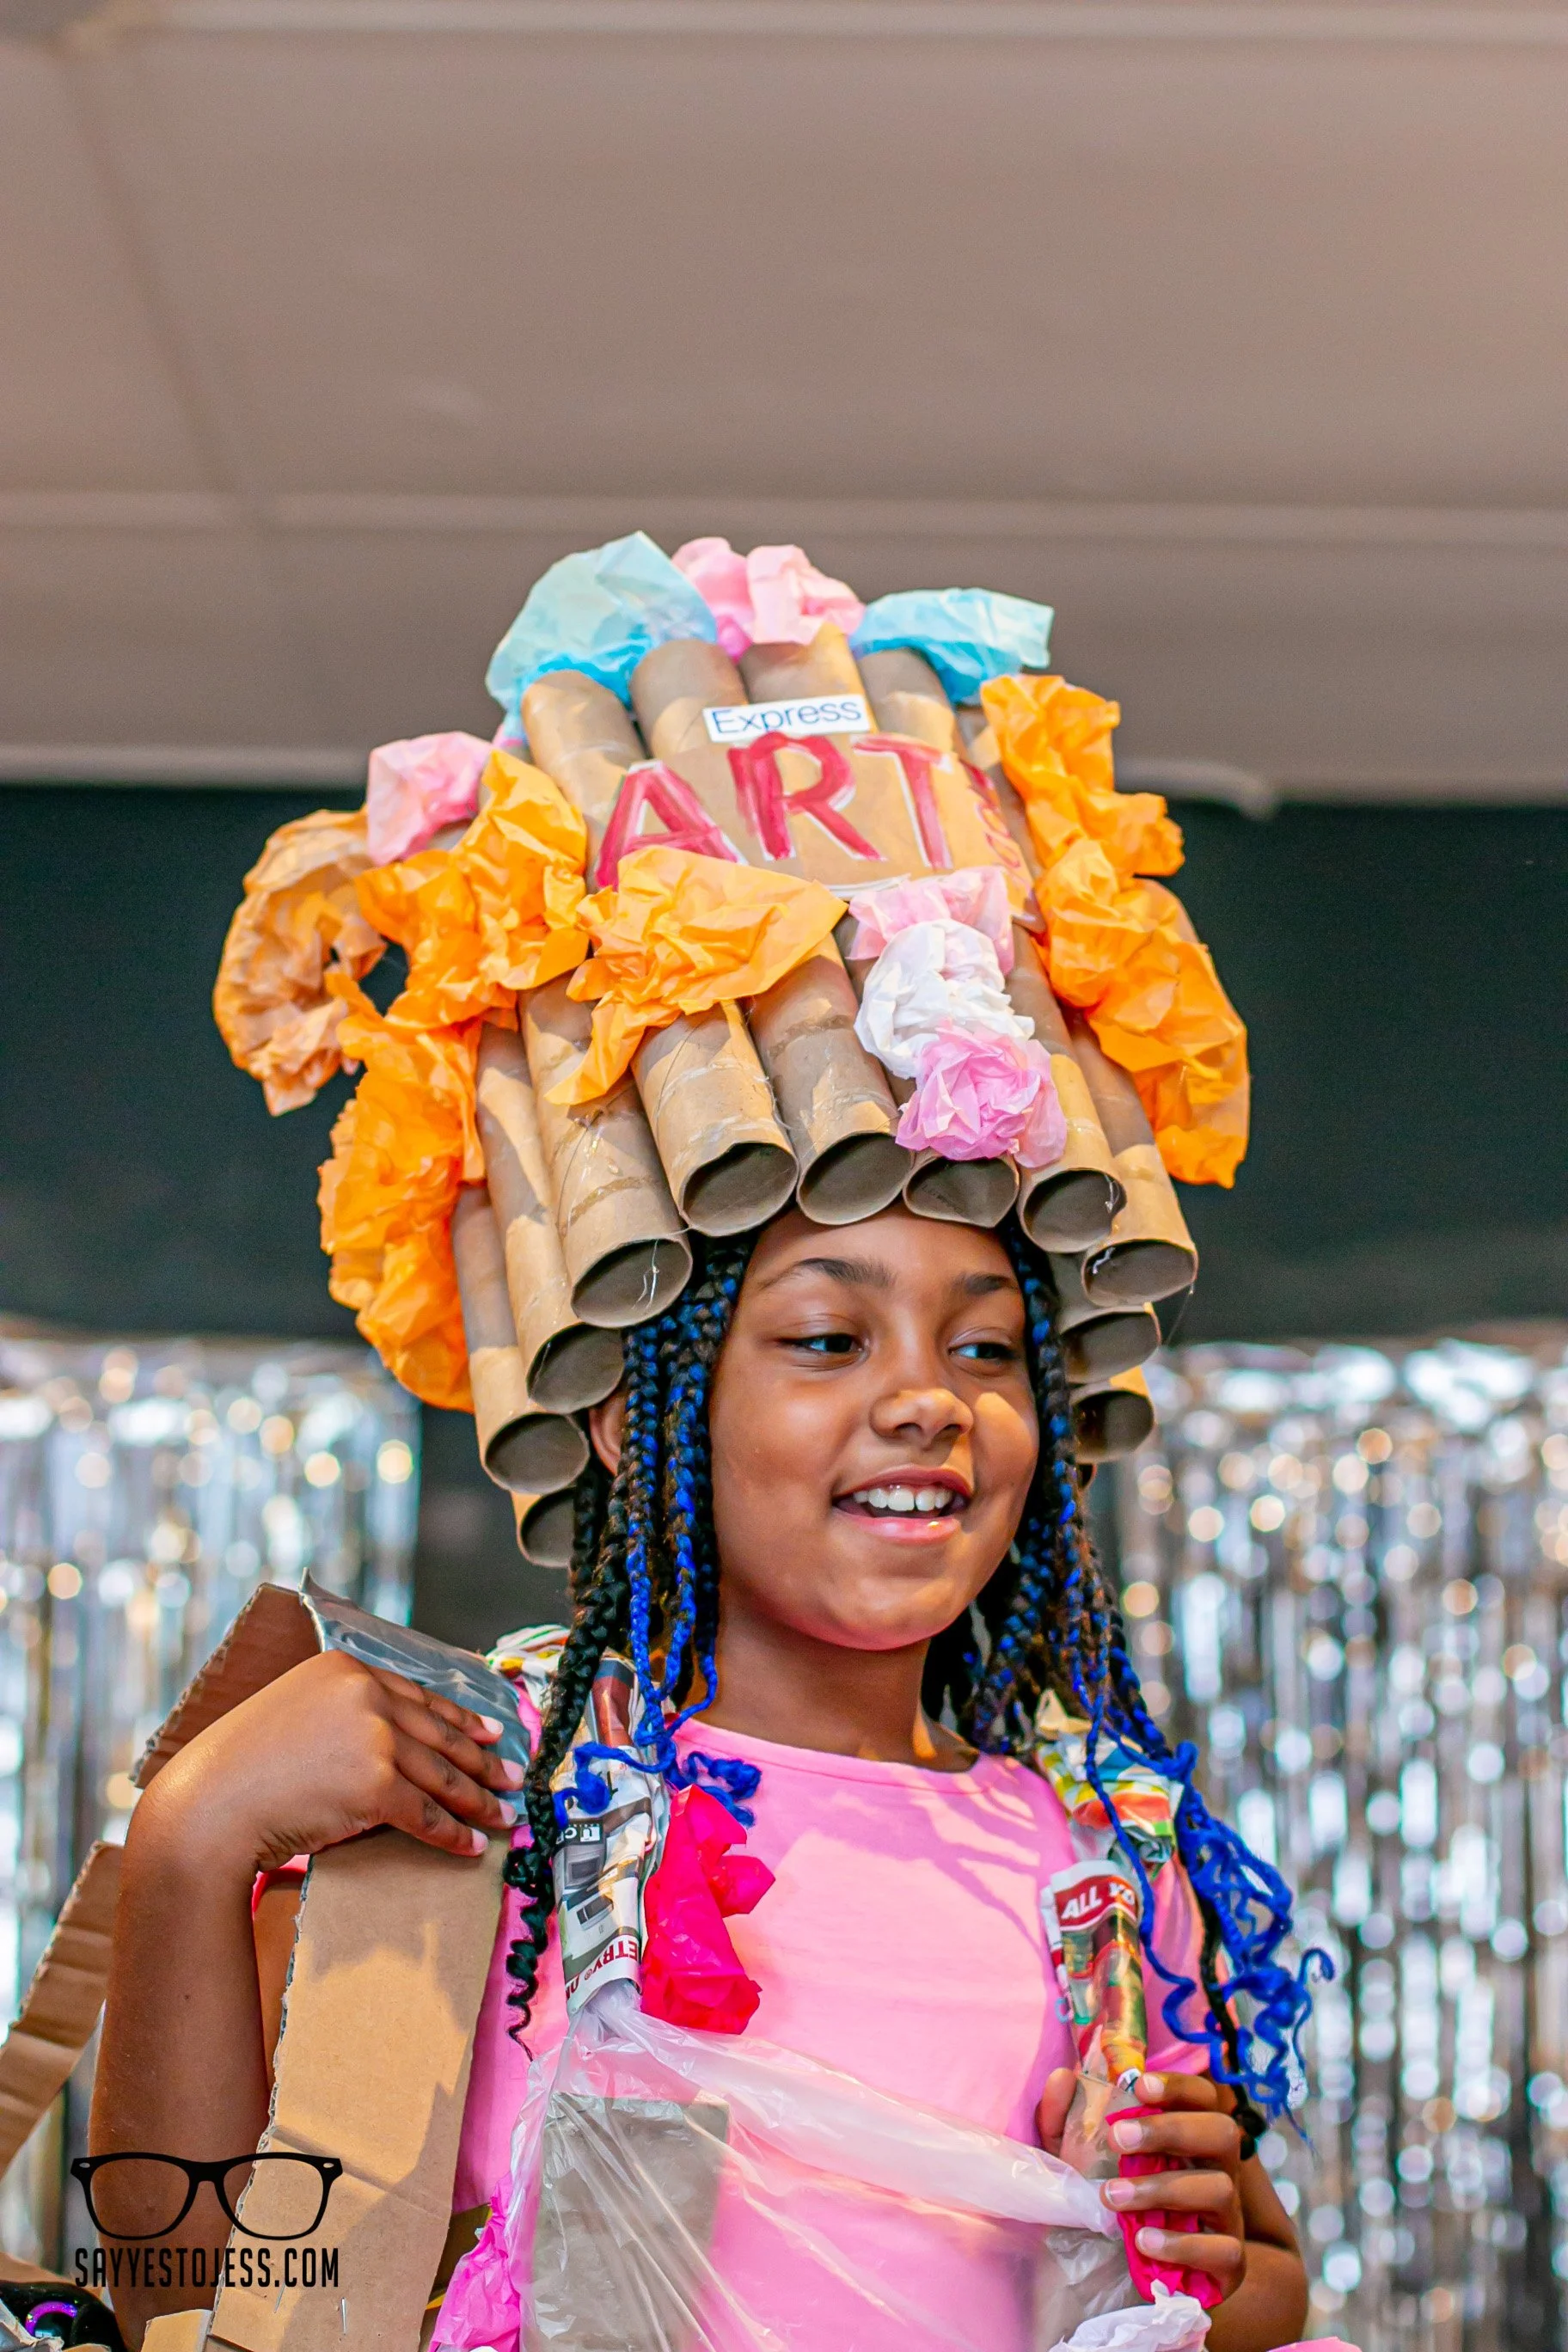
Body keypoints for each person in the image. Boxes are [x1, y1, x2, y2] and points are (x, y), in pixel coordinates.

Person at [93, 1202, 1311, 2352]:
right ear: (639, 1414)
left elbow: (1262, 2282)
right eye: (830, 1338)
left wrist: (1192, 2257)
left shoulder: (1093, 1856)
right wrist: (196, 1835)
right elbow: (194, 2297)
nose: (932, 1400)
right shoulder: (482, 1793)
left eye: (987, 1348)